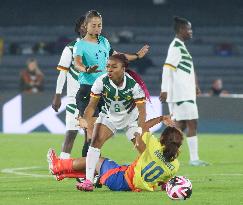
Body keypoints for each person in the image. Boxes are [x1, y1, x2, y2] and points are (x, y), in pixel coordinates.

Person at [73, 10, 150, 160]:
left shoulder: (104, 41)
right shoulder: (80, 45)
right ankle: (87, 173)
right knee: (91, 134)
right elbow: (77, 63)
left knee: (96, 137)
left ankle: (91, 171)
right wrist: (87, 69)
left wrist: (136, 56)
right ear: (86, 26)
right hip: (88, 91)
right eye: (93, 25)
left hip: (104, 91)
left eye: (99, 25)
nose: (97, 28)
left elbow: (118, 57)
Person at [76, 54, 156, 191]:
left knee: (145, 150)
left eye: (114, 67)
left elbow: (142, 113)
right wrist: (85, 119)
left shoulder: (134, 86)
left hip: (131, 119)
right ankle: (88, 181)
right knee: (94, 142)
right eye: (108, 66)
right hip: (109, 117)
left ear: (123, 69)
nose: (109, 70)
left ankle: (160, 180)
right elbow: (91, 106)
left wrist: (138, 132)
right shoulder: (101, 82)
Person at [47, 116, 181, 192]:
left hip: (121, 181)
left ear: (162, 139)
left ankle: (58, 165)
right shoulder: (175, 165)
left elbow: (143, 127)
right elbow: (164, 182)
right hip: (134, 184)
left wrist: (161, 118)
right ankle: (63, 173)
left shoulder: (154, 146)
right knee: (107, 166)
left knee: (98, 160)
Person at [160, 16, 209, 166]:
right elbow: (167, 68)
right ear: (181, 30)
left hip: (186, 93)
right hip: (181, 95)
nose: (191, 32)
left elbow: (186, 70)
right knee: (190, 123)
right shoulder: (175, 47)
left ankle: (163, 155)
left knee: (179, 126)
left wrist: (195, 85)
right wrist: (164, 89)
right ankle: (193, 159)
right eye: (189, 29)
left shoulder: (181, 46)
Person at [51, 16, 87, 160]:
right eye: (84, 25)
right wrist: (58, 94)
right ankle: (62, 163)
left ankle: (87, 168)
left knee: (91, 136)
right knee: (71, 133)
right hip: (74, 99)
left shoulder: (99, 48)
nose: (87, 28)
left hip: (93, 99)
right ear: (79, 28)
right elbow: (62, 72)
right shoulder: (70, 48)